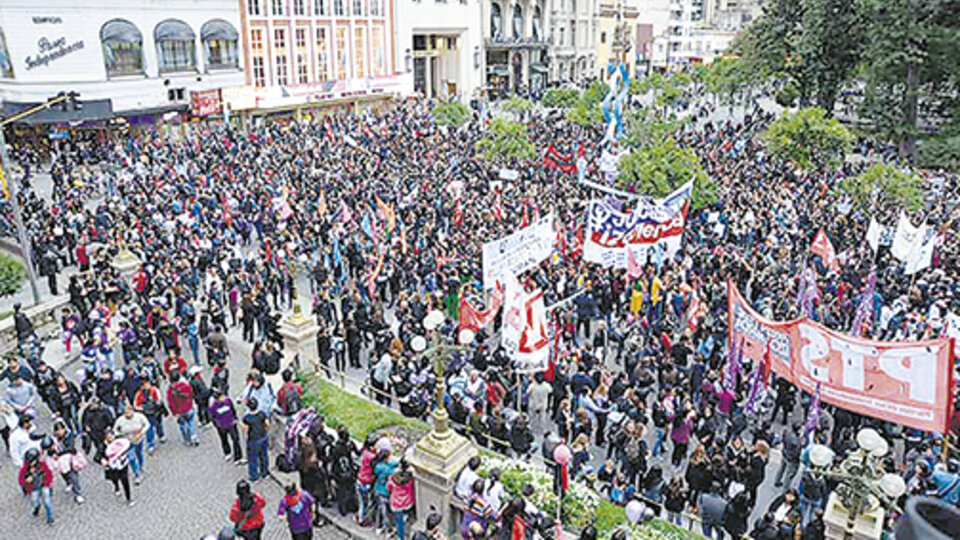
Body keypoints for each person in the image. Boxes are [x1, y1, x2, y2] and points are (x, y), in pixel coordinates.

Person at [114, 403, 149, 485]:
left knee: (139, 453)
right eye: (126, 413)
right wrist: (122, 435)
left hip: (138, 439)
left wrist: (141, 433)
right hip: (127, 442)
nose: (128, 415)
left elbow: (147, 424)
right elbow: (115, 431)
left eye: (129, 413)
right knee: (131, 457)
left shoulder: (139, 416)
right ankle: (137, 474)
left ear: (133, 411)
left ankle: (141, 466)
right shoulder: (120, 421)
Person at [18, 448, 54, 524]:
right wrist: (26, 481)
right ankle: (37, 508)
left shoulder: (42, 464)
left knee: (47, 502)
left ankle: (50, 517)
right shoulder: (25, 469)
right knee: (35, 502)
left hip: (44, 485)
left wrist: (48, 483)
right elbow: (21, 480)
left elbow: (49, 474)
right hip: (34, 488)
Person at [210, 388, 244, 463]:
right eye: (222, 397)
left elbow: (233, 410)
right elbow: (212, 418)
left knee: (235, 439)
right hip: (222, 426)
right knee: (224, 439)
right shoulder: (213, 407)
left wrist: (235, 418)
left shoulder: (228, 401)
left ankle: (238, 456)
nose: (224, 398)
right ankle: (227, 452)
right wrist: (218, 426)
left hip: (231, 424)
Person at [101, 431, 135, 506]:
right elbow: (97, 456)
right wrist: (102, 459)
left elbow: (131, 445)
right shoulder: (103, 445)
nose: (110, 438)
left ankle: (128, 498)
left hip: (123, 465)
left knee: (125, 481)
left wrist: (125, 452)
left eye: (112, 436)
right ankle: (116, 487)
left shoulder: (120, 441)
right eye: (108, 437)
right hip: (111, 467)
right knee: (114, 479)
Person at [166, 370, 198, 446]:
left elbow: (171, 403)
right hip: (189, 408)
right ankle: (193, 436)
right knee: (191, 422)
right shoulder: (185, 385)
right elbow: (191, 395)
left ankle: (187, 439)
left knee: (183, 425)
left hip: (179, 411)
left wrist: (174, 412)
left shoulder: (170, 390)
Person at [242, 397, 270, 482]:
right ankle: (264, 472)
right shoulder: (262, 414)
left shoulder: (247, 418)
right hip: (263, 437)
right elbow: (267, 424)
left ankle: (254, 475)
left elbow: (245, 430)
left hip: (253, 439)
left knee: (253, 457)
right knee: (264, 456)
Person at [388, 461, 416, 540]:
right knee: (406, 514)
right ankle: (405, 517)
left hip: (396, 504)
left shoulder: (392, 478)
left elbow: (389, 488)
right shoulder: (410, 480)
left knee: (399, 523)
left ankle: (401, 537)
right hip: (408, 503)